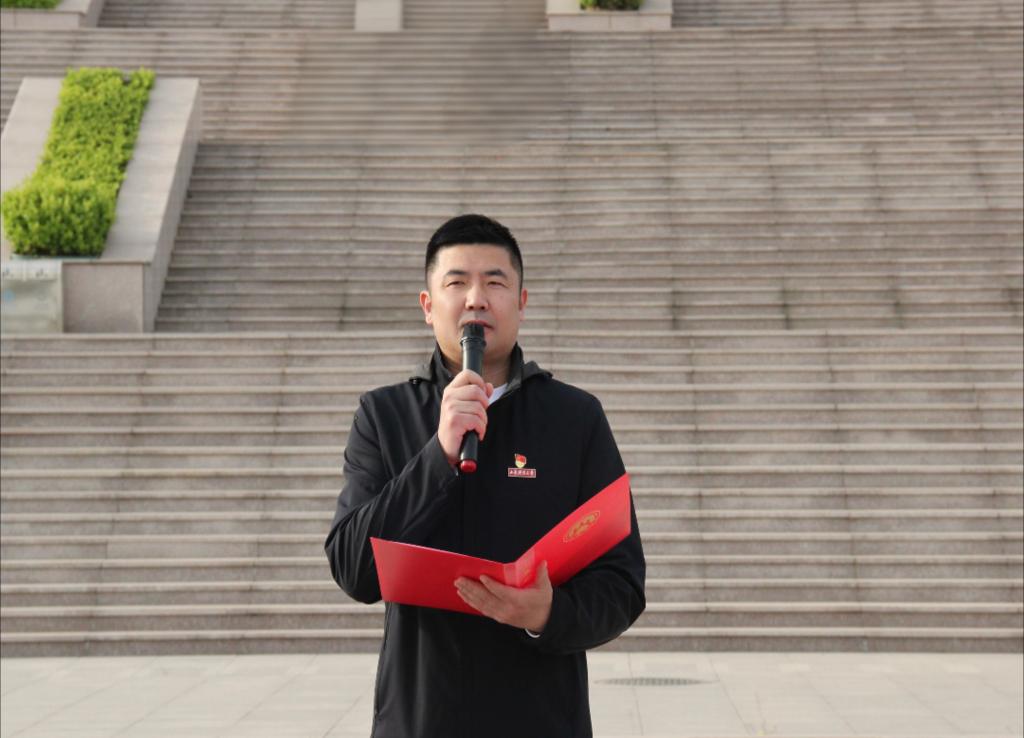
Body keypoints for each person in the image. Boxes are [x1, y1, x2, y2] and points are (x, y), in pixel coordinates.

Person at [324, 213, 646, 737]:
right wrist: (438, 455)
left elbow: (623, 583)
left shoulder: (575, 418)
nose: (476, 299)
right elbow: (352, 568)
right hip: (421, 719)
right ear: (428, 306)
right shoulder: (383, 415)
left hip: (542, 719)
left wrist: (548, 613)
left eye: (495, 283)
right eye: (456, 283)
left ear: (521, 302)